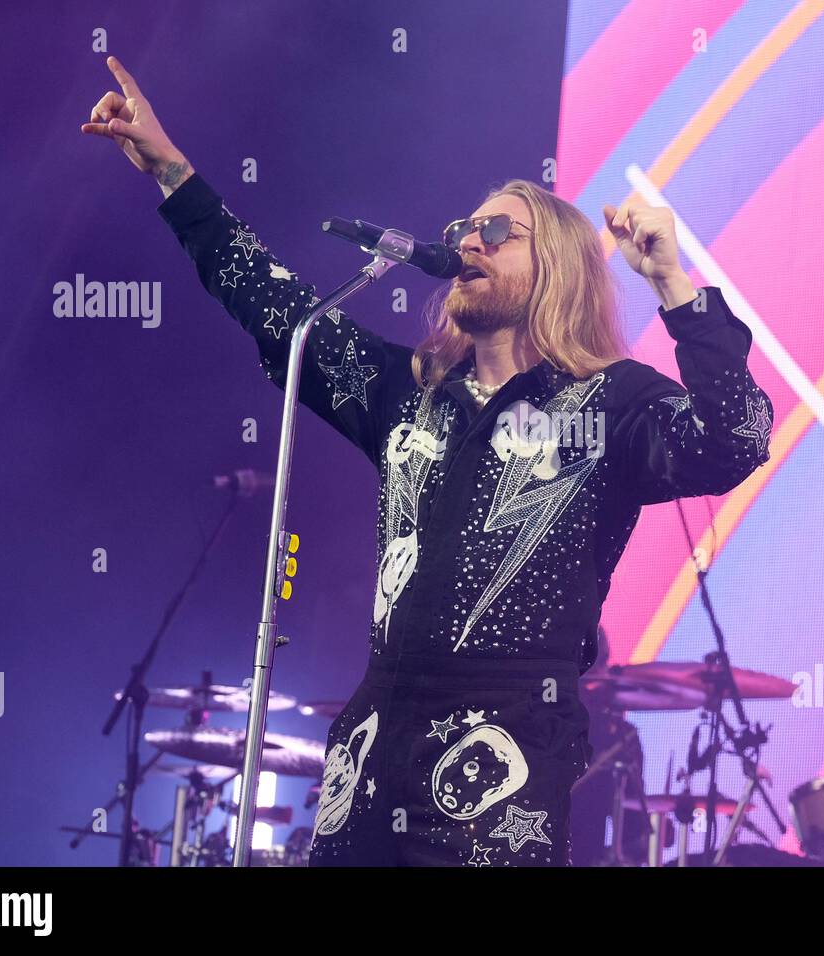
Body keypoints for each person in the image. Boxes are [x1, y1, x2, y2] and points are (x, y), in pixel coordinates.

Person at [83, 55, 774, 867]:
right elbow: (271, 304)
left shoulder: (609, 402)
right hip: (369, 757)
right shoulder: (408, 394)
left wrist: (674, 284)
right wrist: (174, 174)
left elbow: (737, 437)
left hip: (499, 774)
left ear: (552, 263)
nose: (465, 243)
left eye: (493, 231)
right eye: (458, 233)